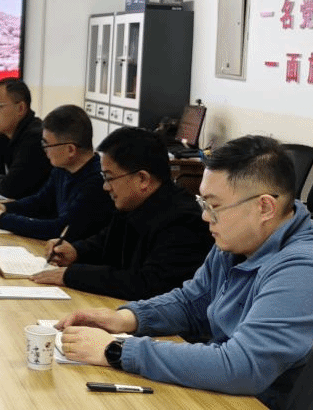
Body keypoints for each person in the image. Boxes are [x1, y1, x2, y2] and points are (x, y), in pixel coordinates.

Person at [57, 135, 313, 410]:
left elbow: (241, 366)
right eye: (203, 203)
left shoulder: (302, 269)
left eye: (214, 206)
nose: (205, 217)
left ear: (264, 207)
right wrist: (126, 319)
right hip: (229, 402)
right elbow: (192, 303)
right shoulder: (238, 240)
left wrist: (117, 350)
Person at [32, 126, 212, 300]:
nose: (105, 187)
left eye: (109, 178)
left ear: (142, 179)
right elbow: (106, 242)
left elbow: (148, 284)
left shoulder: (183, 221)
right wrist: (76, 251)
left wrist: (73, 275)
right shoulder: (133, 204)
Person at [0, 104, 113, 242]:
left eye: (47, 145)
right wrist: (4, 207)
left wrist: (2, 220)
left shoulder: (97, 182)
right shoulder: (62, 169)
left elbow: (60, 229)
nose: (44, 150)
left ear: (71, 150)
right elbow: (40, 202)